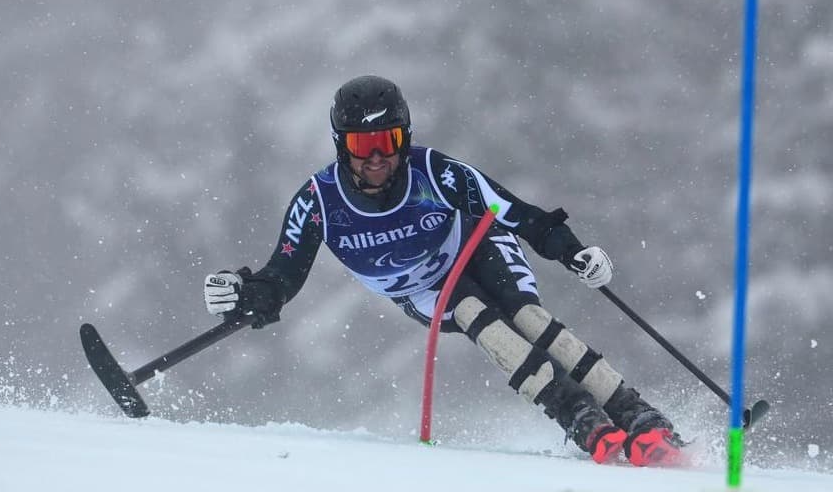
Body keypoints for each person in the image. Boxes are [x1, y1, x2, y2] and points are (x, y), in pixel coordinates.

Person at [203, 75, 684, 466]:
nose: (376, 158)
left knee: (527, 317)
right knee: (479, 317)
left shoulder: (435, 172)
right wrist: (247, 295)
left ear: (404, 137)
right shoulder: (317, 202)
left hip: (477, 248)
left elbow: (514, 212)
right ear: (340, 145)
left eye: (387, 141)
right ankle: (578, 415)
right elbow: (282, 276)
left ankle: (636, 413)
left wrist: (572, 251)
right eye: (361, 144)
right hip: (422, 289)